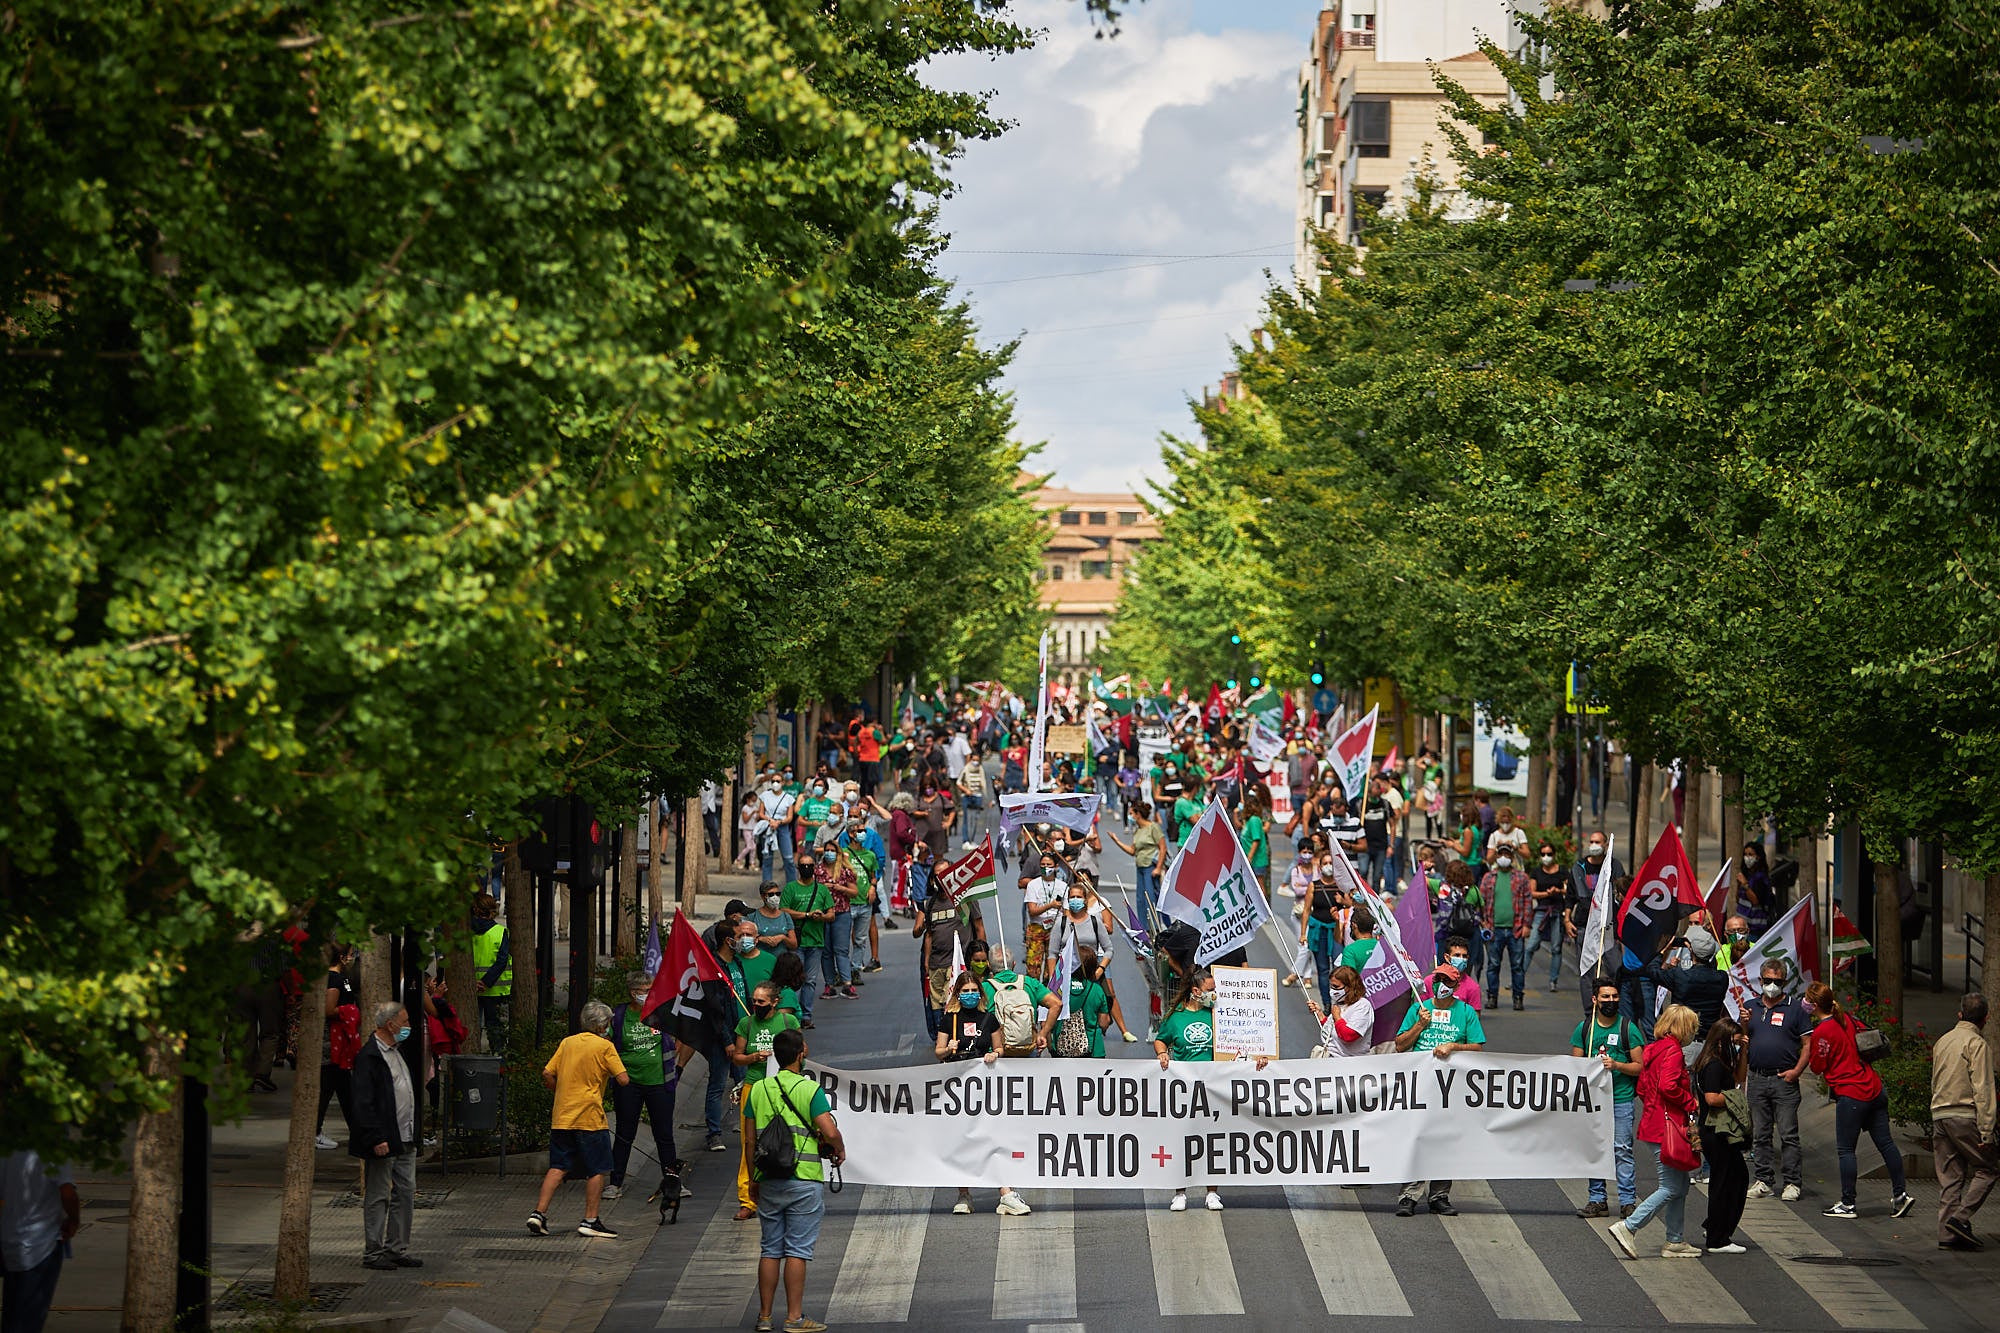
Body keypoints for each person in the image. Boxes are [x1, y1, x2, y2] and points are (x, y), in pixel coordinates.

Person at [749, 1028, 846, 1333]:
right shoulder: (810, 1090)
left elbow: (750, 1141)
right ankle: (794, 1317)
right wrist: (839, 1149)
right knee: (797, 1251)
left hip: (768, 1178)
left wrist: (753, 1178)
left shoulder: (759, 1090)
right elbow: (828, 1131)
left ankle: (764, 1317)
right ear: (801, 1054)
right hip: (803, 1179)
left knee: (769, 1249)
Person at [1804, 981, 1914, 1219]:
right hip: (1874, 1088)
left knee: (1846, 1150)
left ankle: (1848, 1203)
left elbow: (1817, 1066)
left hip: (1851, 1094)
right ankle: (1900, 1196)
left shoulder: (1823, 1031)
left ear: (1813, 1005)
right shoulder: (1848, 1019)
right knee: (1886, 1143)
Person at [1392, 946, 1487, 1216]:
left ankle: (1439, 1195)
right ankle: (1409, 1195)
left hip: (1451, 1089)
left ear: (1456, 985)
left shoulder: (1466, 1012)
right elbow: (1400, 1045)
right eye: (1437, 980)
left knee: (1445, 1140)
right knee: (1418, 1139)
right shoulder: (1418, 1009)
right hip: (1421, 1087)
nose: (1440, 984)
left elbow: (1478, 1046)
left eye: (1447, 981)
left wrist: (1454, 1047)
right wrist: (1419, 1026)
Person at [527, 1000, 631, 1239]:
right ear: (603, 1024)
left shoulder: (567, 1042)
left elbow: (547, 1072)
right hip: (590, 1117)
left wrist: (559, 1089)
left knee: (558, 1166)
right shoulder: (605, 1046)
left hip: (562, 1116)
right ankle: (591, 1220)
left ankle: (538, 1213)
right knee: (598, 1168)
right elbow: (623, 1079)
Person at [1608, 1003, 1701, 1259]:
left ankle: (1675, 1240)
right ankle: (1629, 1226)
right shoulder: (1673, 1052)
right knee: (1670, 1186)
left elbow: (1643, 1089)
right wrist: (1690, 1102)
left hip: (1652, 1122)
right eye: (1692, 1028)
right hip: (1667, 1127)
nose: (1693, 1033)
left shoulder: (1653, 1049)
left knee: (1680, 1185)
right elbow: (1668, 1086)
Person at [351, 1001, 423, 1268]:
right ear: (390, 1024)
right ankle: (373, 1251)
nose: (408, 1027)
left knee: (405, 1192)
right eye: (404, 1022)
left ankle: (396, 1248)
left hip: (405, 1136)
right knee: (379, 1194)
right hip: (384, 1138)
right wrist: (375, 1137)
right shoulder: (370, 1057)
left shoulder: (397, 1052)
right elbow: (363, 1101)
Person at [1931, 992, 1998, 1250]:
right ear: (1986, 1018)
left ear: (1960, 1015)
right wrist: (1986, 1131)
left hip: (1940, 1114)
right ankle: (1960, 1219)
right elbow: (1983, 1089)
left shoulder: (1943, 1041)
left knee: (1950, 1177)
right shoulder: (1976, 1044)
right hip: (1964, 1114)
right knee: (1989, 1168)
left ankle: (1946, 1235)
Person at [1572, 977, 1643, 1218]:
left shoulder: (1628, 1029)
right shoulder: (1584, 1030)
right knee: (1595, 1148)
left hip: (1621, 1099)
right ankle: (1597, 1199)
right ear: (1595, 1000)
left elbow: (1639, 1067)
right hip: (1593, 1100)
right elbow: (1575, 1067)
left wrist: (1617, 1065)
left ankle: (1627, 1201)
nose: (1611, 1001)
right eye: (1605, 997)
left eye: (1614, 997)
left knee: (1622, 1148)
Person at [1155, 967, 1224, 1212]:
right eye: (1210, 990)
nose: (1215, 995)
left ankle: (1212, 1192)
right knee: (1182, 1140)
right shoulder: (1176, 1017)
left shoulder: (1217, 1014)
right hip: (1184, 1088)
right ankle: (1180, 1191)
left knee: (1211, 1141)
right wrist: (1162, 1053)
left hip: (1214, 1087)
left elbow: (1237, 1042)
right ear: (1196, 991)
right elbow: (1161, 1038)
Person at [732, 980, 803, 1220]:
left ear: (775, 1002)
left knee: (786, 1138)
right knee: (749, 1142)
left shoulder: (788, 1022)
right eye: (754, 1001)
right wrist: (753, 1057)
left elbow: (803, 1051)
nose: (756, 1005)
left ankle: (787, 1190)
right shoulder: (746, 1024)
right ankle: (747, 1199)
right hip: (754, 1088)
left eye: (761, 1001)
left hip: (783, 1088)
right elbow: (737, 1058)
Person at [606, 975, 677, 1203]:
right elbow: (606, 1044)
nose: (645, 992)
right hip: (629, 1084)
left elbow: (681, 1037)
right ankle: (615, 1182)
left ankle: (673, 1181)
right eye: (641, 989)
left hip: (660, 1083)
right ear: (631, 992)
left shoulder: (661, 1012)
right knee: (625, 1134)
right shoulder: (618, 1016)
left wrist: (680, 1066)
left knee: (664, 1134)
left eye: (649, 988)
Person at [1743, 958, 1810, 1202]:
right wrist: (1742, 1022)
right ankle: (1763, 1179)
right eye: (1768, 981)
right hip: (1758, 1078)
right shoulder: (1750, 1007)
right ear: (1760, 981)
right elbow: (1741, 1040)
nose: (1772, 985)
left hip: (1785, 1080)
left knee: (1788, 1134)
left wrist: (1797, 1071)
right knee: (1760, 1134)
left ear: (1785, 982)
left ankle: (1792, 1182)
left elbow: (1807, 1044)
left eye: (1777, 981)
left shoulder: (1796, 1009)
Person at [1, 1150, 79, 1333]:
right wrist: (74, 1219)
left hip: (10, 1240)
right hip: (41, 1242)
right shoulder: (54, 1149)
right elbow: (67, 1191)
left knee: (13, 1312)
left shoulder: (7, 1149)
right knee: (29, 1316)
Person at [1693, 1016, 1751, 1254]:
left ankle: (1715, 1226)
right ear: (1722, 1041)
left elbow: (1740, 1077)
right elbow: (1711, 1097)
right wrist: (1735, 1099)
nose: (1737, 1046)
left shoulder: (1722, 1061)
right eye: (1735, 1042)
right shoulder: (1713, 1065)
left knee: (1734, 1178)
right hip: (1715, 1132)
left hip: (1720, 1132)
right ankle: (1718, 1238)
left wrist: (1744, 1052)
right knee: (1725, 1182)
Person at [1053, 880, 1135, 1041]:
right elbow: (1055, 949)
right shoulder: (1064, 918)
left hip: (1095, 959)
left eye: (1085, 880)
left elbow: (1109, 941)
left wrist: (1100, 969)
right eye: (1073, 896)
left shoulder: (1100, 904)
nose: (1075, 899)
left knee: (1107, 994)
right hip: (1071, 964)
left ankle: (1121, 1029)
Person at [781, 854, 836, 1028]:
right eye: (803, 865)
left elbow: (832, 914)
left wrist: (821, 916)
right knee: (794, 979)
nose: (806, 868)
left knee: (810, 980)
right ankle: (793, 1015)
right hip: (796, 941)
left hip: (816, 942)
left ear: (814, 868)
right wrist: (806, 915)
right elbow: (784, 910)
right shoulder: (790, 888)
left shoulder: (822, 890)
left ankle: (806, 1015)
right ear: (798, 868)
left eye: (809, 865)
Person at [1644, 926, 1729, 1038]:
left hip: (1682, 1037)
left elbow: (1652, 970)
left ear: (1691, 950)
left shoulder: (1680, 976)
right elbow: (1709, 966)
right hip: (1709, 1040)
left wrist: (1663, 950)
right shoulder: (1722, 978)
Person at [316, 943, 361, 1150]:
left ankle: (358, 1131)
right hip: (332, 1041)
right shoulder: (333, 979)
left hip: (340, 1043)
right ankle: (314, 1131)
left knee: (345, 1088)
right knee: (328, 1086)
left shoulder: (342, 978)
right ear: (342, 957)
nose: (352, 959)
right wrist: (348, 1010)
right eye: (350, 955)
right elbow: (329, 1008)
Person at [1480, 842, 1533, 1011]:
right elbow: (1481, 902)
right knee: (1493, 964)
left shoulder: (1521, 878)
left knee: (1517, 966)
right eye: (1501, 854)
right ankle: (1492, 997)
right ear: (1496, 856)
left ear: (1512, 857)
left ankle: (1518, 997)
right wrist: (1484, 923)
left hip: (1515, 929)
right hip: (1494, 929)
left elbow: (1527, 902)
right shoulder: (1489, 877)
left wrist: (1526, 925)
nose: (1504, 857)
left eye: (1507, 855)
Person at [981, 946, 1060, 1056]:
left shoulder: (983, 988)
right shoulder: (1030, 983)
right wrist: (1042, 1033)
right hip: (1028, 1049)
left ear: (989, 965)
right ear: (1014, 964)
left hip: (996, 1053)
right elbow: (1057, 1004)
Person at [1299, 856, 1347, 1010]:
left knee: (1339, 965)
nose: (1328, 866)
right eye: (1325, 863)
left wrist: (1342, 902)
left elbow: (1352, 903)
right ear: (1319, 867)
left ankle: (1340, 1000)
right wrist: (1303, 933)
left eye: (1331, 863)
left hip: (1336, 931)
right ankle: (1326, 1002)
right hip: (1318, 931)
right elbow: (1306, 910)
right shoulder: (1314, 886)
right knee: (1322, 968)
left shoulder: (1341, 886)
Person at [1107, 801, 1165, 924]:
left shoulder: (1153, 827)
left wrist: (1158, 868)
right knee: (1140, 900)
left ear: (1138, 814)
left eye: (1131, 813)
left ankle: (1155, 925)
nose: (1130, 816)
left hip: (1151, 867)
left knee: (1151, 898)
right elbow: (1132, 850)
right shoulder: (1138, 831)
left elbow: (1163, 848)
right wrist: (1116, 840)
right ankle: (1145, 928)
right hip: (1140, 867)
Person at [470, 893, 512, 1052]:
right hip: (495, 990)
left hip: (473, 989)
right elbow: (501, 961)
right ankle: (498, 1060)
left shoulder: (468, 933)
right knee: (495, 1030)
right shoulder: (500, 932)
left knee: (473, 1027)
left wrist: (476, 982)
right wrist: (486, 982)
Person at [1525, 840, 1569, 992]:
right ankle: (1519, 977)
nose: (1546, 857)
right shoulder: (1536, 872)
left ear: (1554, 855)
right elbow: (1532, 892)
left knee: (1556, 948)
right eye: (1543, 854)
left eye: (1549, 854)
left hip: (1557, 912)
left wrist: (1558, 891)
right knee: (1530, 945)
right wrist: (1546, 894)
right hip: (1542, 911)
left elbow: (1569, 889)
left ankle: (1553, 980)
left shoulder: (1562, 871)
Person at [1018, 849, 1068, 983]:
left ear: (1056, 867)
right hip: (1037, 928)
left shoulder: (1063, 886)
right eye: (1043, 865)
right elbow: (1032, 911)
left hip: (1054, 928)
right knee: (1033, 967)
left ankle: (1048, 990)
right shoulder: (1033, 885)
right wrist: (1050, 905)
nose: (1046, 868)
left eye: (1049, 865)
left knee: (1051, 968)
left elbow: (1067, 912)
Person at [1306, 965, 1375, 1058]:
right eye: (1331, 986)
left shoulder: (1363, 1006)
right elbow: (1332, 1030)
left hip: (1348, 1064)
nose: (1332, 990)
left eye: (1336, 986)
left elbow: (1348, 1036)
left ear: (1350, 986)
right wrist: (1319, 1013)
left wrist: (1337, 1017)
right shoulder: (1341, 1003)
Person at [752, 884, 797, 955]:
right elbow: (746, 941)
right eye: (771, 894)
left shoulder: (785, 916)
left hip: (781, 961)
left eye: (778, 894)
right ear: (763, 897)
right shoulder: (753, 916)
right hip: (761, 960)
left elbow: (794, 945)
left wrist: (783, 937)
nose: (775, 897)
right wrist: (761, 939)